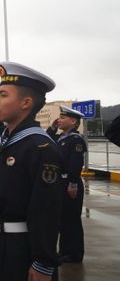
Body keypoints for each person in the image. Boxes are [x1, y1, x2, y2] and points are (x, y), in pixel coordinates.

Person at [0, 61, 62, 281]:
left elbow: (47, 210)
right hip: (0, 243)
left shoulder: (40, 148)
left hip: (25, 249)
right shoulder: (7, 141)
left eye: (3, 95)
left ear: (26, 103)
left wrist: (43, 262)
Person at [47, 105, 87, 263]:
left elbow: (76, 163)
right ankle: (64, 251)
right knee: (62, 219)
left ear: (73, 121)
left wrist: (73, 183)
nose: (60, 120)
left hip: (70, 183)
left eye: (63, 118)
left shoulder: (76, 140)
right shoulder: (60, 138)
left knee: (71, 220)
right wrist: (52, 128)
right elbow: (47, 142)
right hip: (60, 183)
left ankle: (74, 253)